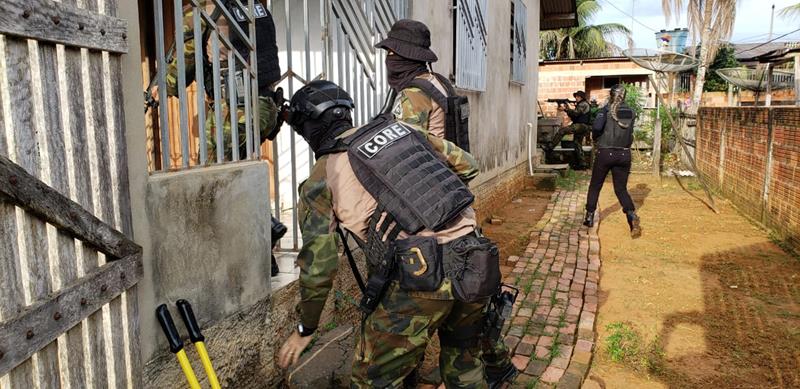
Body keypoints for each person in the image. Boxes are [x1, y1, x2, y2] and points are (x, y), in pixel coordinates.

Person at [276, 80, 502, 388]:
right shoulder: (404, 130)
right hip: (476, 260)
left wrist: (307, 327)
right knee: (464, 362)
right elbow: (469, 166)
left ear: (310, 128)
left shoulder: (321, 177)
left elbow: (319, 269)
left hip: (419, 279)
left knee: (372, 380)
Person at [376, 19, 517, 388]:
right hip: (454, 194)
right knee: (472, 292)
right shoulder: (439, 82)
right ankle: (496, 363)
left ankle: (417, 367)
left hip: (430, 203)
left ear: (402, 55)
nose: (388, 59)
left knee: (424, 292)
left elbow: (403, 150)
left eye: (391, 53)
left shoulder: (414, 94)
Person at [160, 0, 286, 274]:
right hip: (266, 106)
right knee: (239, 177)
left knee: (215, 184)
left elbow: (180, 70)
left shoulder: (202, 11)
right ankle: (265, 257)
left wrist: (160, 89)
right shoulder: (253, 6)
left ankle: (229, 256)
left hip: (235, 110)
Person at [583, 84, 641, 238]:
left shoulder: (605, 111)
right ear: (624, 96)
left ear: (611, 95)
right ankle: (631, 215)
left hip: (605, 153)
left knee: (595, 185)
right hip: (624, 154)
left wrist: (596, 139)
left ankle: (589, 217)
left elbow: (596, 128)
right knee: (621, 189)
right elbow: (629, 133)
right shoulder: (631, 112)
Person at [545, 91, 592, 169]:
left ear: (581, 97)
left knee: (562, 131)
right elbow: (573, 116)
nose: (576, 98)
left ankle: (549, 147)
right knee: (577, 144)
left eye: (578, 96)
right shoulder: (581, 104)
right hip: (582, 126)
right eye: (576, 96)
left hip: (581, 126)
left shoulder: (583, 104)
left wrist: (565, 109)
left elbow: (575, 113)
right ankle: (582, 164)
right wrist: (567, 108)